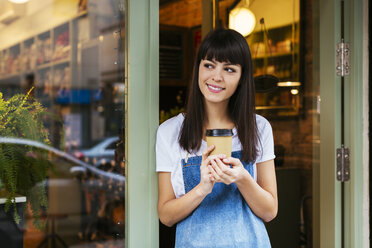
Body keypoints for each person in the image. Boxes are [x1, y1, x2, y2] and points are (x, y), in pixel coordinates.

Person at [156, 28, 277, 247]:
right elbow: (166, 215)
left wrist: (242, 178)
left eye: (229, 69)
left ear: (242, 77)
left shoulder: (259, 128)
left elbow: (269, 211)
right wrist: (202, 188)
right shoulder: (170, 132)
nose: (216, 76)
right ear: (198, 69)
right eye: (209, 65)